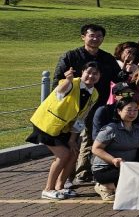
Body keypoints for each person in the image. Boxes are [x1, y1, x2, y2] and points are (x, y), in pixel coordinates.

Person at [55, 24, 121, 185]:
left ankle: (82, 173)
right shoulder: (70, 56)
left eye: (99, 36)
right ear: (83, 37)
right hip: (70, 106)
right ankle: (65, 178)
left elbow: (118, 79)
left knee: (89, 139)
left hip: (96, 106)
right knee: (68, 142)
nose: (95, 39)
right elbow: (58, 80)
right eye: (92, 35)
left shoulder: (107, 58)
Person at [29, 62, 101, 200]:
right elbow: (60, 91)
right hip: (47, 124)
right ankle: (48, 189)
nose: (91, 76)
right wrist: (68, 80)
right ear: (82, 72)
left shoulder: (94, 93)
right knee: (63, 155)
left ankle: (60, 187)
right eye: (88, 72)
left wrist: (72, 139)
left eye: (95, 73)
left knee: (73, 154)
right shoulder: (71, 83)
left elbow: (81, 118)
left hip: (64, 128)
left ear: (99, 76)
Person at [91, 99, 139, 201]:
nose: (132, 113)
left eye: (135, 110)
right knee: (134, 180)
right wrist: (113, 160)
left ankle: (117, 186)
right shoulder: (110, 129)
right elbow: (96, 149)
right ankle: (104, 186)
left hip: (128, 166)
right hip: (106, 168)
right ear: (119, 111)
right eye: (129, 110)